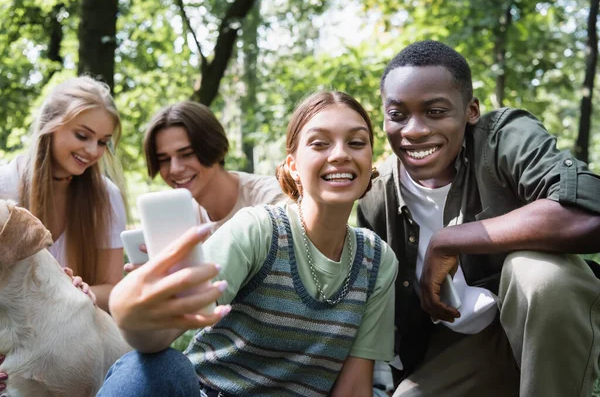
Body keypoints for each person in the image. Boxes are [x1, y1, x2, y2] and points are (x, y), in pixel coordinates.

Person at [98, 91, 398, 397]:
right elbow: (162, 330)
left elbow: (354, 388)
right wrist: (130, 311)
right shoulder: (257, 228)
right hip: (210, 390)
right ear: (293, 166)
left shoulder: (377, 261)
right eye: (320, 143)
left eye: (357, 143)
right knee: (155, 366)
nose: (340, 155)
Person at [358, 40, 600, 397]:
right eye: (397, 115)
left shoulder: (502, 138)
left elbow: (588, 212)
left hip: (548, 325)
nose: (414, 130)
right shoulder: (376, 197)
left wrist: (449, 240)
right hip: (461, 344)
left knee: (538, 273)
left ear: (471, 110)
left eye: (435, 111)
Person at [0, 76, 128, 312]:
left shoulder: (107, 196)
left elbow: (113, 289)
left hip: (72, 335)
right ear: (50, 125)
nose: (92, 151)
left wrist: (79, 290)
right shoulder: (4, 184)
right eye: (82, 135)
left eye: (102, 142)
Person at [143, 101, 285, 231]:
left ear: (213, 146)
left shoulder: (273, 201)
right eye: (164, 160)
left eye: (187, 154)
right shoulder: (181, 220)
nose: (174, 169)